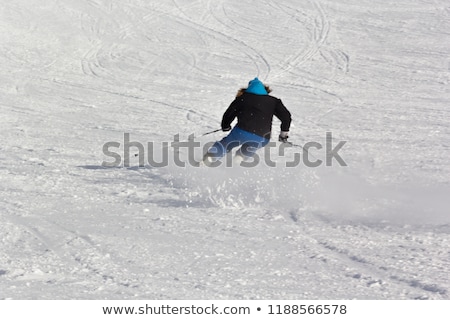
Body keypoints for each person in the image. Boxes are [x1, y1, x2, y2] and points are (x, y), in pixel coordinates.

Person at [201, 77, 292, 166]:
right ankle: (238, 160)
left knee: (226, 144)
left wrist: (225, 126)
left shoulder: (242, 98)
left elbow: (229, 114)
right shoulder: (274, 101)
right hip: (263, 137)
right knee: (251, 147)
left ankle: (209, 159)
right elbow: (286, 117)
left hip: (241, 132)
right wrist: (283, 135)